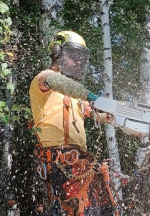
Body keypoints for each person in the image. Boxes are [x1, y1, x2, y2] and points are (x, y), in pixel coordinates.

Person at [29, 31, 118, 216]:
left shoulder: (74, 96)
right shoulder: (44, 79)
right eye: (73, 57)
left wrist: (120, 116)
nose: (78, 62)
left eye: (81, 58)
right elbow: (56, 82)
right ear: (57, 53)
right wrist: (91, 96)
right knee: (75, 210)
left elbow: (97, 114)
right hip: (61, 162)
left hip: (83, 164)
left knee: (106, 210)